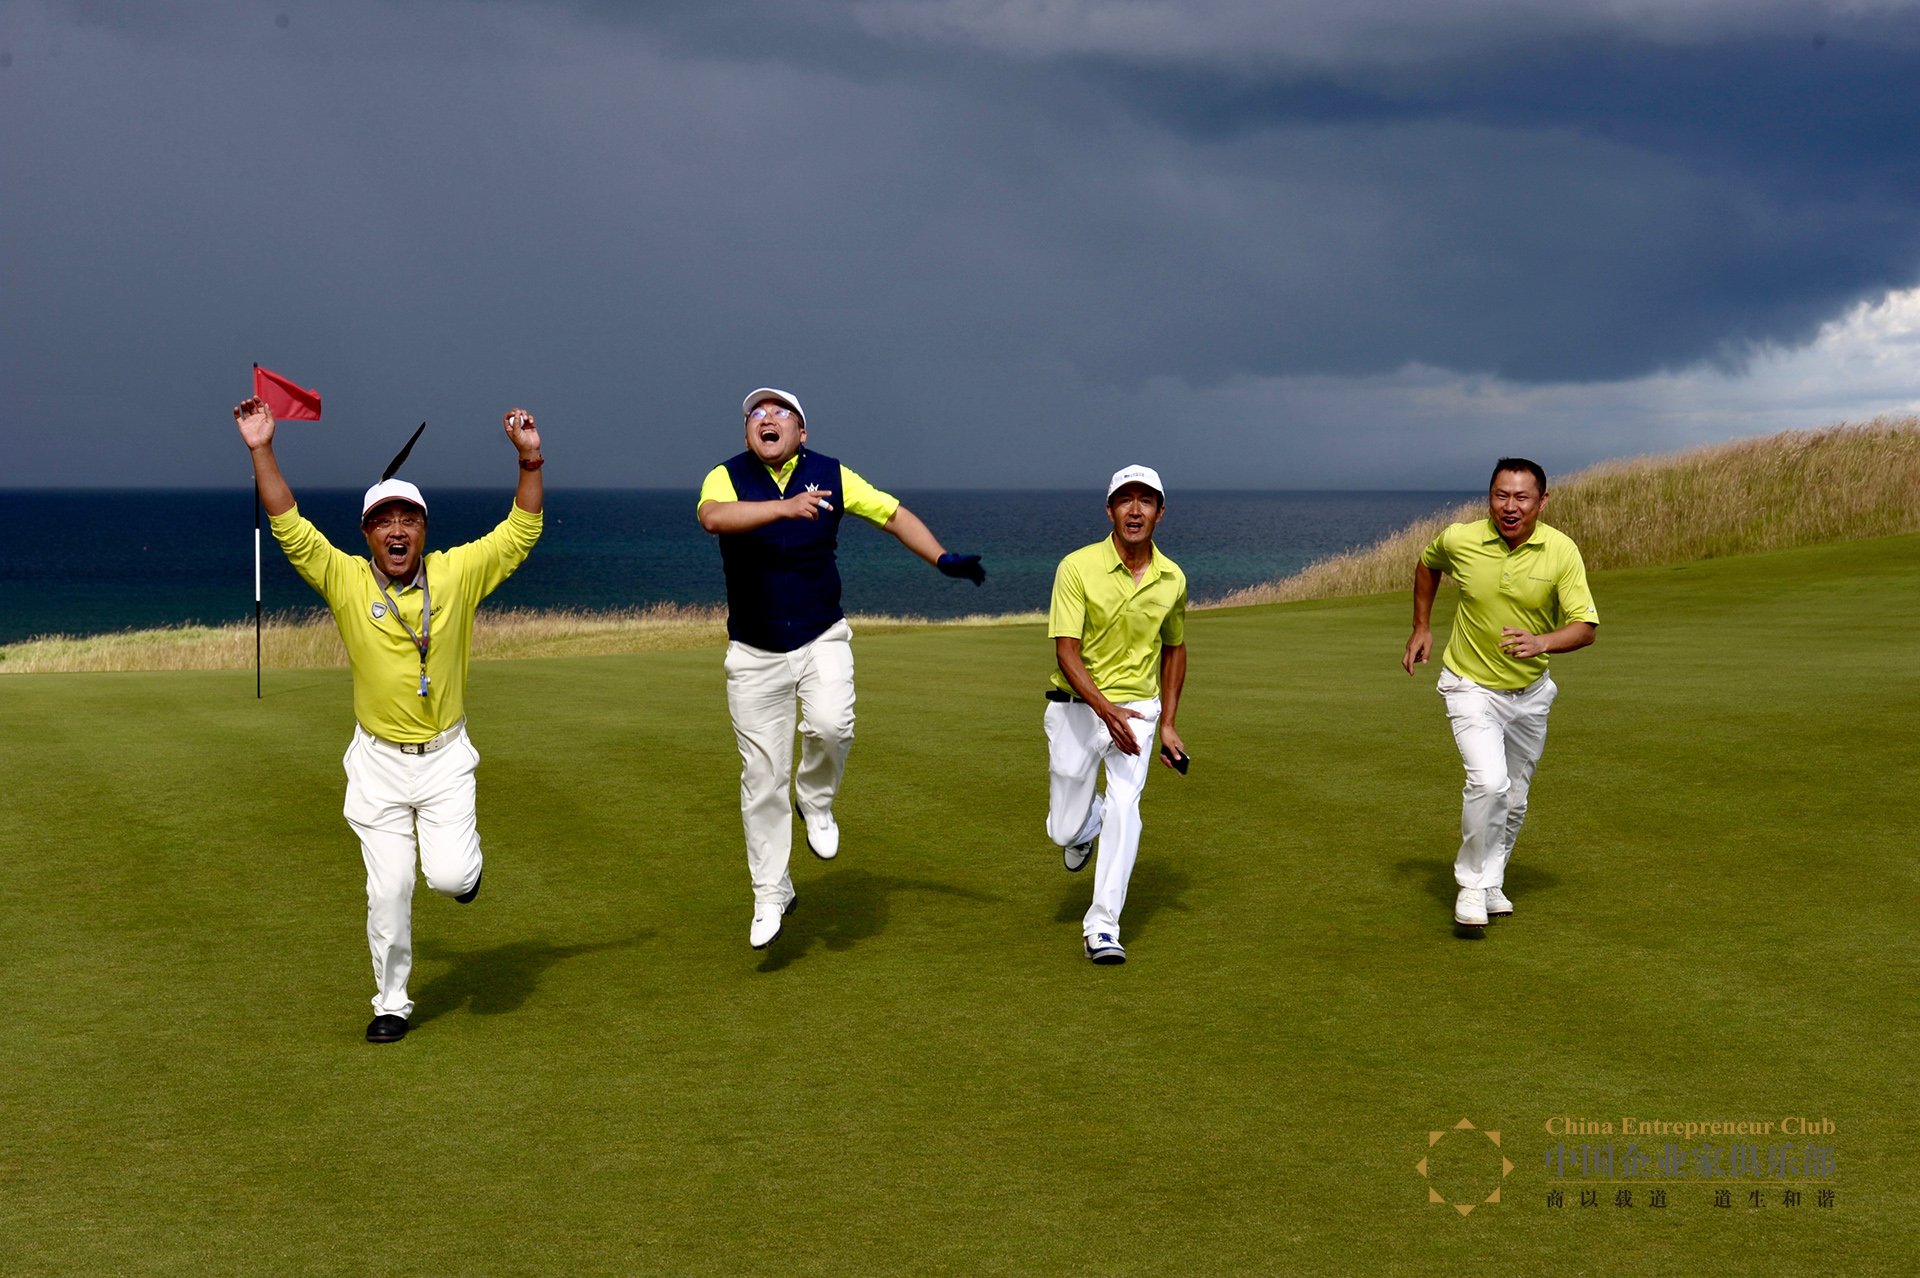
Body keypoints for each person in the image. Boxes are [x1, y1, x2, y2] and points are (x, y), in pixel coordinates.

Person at [233, 395, 545, 1041]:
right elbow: (289, 524)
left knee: (451, 877)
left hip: (445, 758)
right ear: (367, 534)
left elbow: (520, 531)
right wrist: (262, 447)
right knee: (389, 890)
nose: (396, 530)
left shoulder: (456, 575)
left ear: (424, 530)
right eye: (383, 521)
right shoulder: (346, 580)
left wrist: (530, 458)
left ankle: (464, 875)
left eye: (408, 519)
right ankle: (392, 1003)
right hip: (377, 764)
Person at [697, 387, 985, 950]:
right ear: (748, 431)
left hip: (820, 635)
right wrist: (784, 508)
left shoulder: (831, 473)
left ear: (802, 432)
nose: (767, 418)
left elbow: (891, 514)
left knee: (832, 726)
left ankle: (816, 799)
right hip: (753, 653)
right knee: (762, 780)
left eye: (781, 412)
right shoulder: (725, 476)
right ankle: (770, 891)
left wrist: (941, 558)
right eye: (757, 413)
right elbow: (714, 517)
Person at [1402, 457, 1599, 929]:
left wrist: (1541, 643)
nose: (1510, 506)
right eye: (1501, 495)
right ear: (1489, 497)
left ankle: (1492, 879)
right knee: (1489, 783)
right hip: (1469, 685)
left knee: (1514, 799)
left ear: (1542, 502)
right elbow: (1427, 564)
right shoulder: (1460, 539)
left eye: (1521, 497)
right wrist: (1421, 626)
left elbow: (1585, 627)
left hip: (1530, 693)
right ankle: (1472, 887)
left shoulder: (1561, 551)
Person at [1044, 465, 1189, 966]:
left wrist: (1166, 723)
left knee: (1126, 808)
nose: (1135, 509)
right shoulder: (1076, 567)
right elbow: (1066, 652)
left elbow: (1175, 647)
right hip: (1077, 708)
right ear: (1110, 510)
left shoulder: (1173, 578)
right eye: (1125, 499)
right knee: (1063, 830)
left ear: (1160, 512)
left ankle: (1103, 926)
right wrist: (1107, 712)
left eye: (1145, 500)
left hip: (1140, 711)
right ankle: (1086, 828)